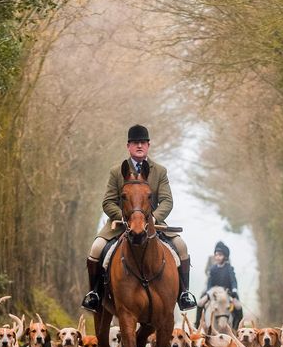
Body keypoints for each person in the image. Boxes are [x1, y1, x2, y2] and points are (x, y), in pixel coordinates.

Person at [81, 124, 197, 313]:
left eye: (143, 142)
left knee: (181, 246)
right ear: (128, 146)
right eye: (135, 143)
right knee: (96, 248)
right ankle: (94, 293)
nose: (139, 146)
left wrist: (151, 220)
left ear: (148, 145)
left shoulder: (160, 171)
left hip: (153, 224)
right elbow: (108, 202)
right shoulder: (116, 171)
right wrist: (126, 219)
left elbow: (167, 201)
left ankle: (184, 293)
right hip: (121, 224)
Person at [195, 241, 243, 329]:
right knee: (200, 303)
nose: (217, 257)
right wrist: (209, 292)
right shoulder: (212, 268)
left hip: (227, 292)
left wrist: (234, 290)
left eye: (220, 255)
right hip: (214, 291)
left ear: (225, 256)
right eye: (216, 255)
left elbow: (233, 281)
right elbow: (209, 282)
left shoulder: (229, 268)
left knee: (238, 306)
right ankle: (197, 324)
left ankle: (237, 327)